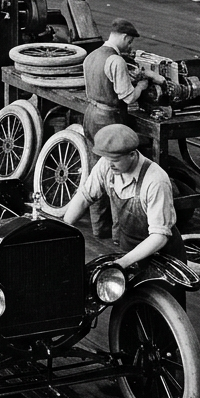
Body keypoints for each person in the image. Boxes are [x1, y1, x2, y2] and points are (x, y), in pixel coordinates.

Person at [62, 125, 188, 299]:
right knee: (127, 307)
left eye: (115, 159)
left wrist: (122, 263)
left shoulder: (155, 181)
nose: (109, 163)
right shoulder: (107, 164)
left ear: (132, 154)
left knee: (164, 313)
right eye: (106, 158)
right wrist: (62, 228)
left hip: (162, 257)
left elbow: (159, 236)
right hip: (129, 252)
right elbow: (84, 196)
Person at [81, 18, 166, 238]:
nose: (130, 48)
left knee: (95, 172)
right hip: (110, 118)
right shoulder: (115, 61)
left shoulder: (91, 55)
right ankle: (120, 235)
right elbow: (128, 98)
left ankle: (99, 228)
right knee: (119, 176)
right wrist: (142, 85)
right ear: (125, 38)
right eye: (130, 43)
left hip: (90, 115)